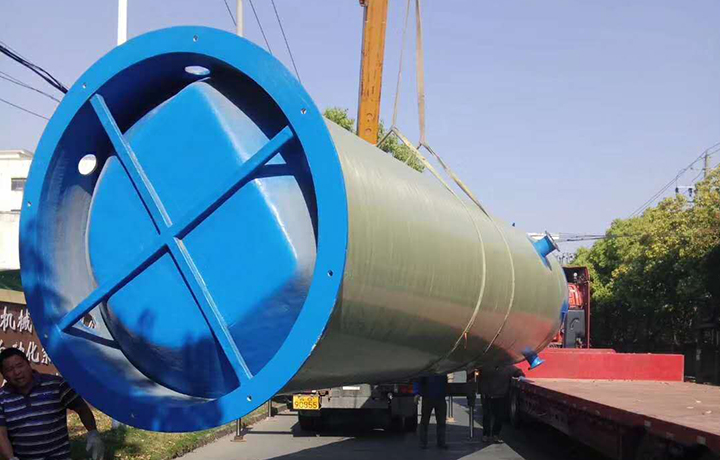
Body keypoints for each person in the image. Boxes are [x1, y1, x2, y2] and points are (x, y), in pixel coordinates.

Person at [0, 347, 105, 460]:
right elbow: (1, 434)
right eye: (9, 369)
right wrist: (10, 458)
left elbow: (81, 408)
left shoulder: (56, 385)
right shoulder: (2, 398)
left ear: (28, 364)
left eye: (20, 365)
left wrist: (93, 432)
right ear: (3, 375)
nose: (17, 372)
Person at [479, 364, 524, 443]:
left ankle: (495, 435)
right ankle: (486, 435)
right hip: (487, 395)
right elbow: (474, 368)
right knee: (487, 416)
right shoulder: (485, 365)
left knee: (499, 417)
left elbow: (518, 371)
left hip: (501, 395)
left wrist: (521, 376)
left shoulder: (508, 367)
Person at [416, 374, 448, 449]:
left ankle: (440, 442)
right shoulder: (439, 371)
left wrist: (418, 393)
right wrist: (417, 393)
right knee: (426, 422)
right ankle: (424, 443)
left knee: (440, 422)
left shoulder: (440, 371)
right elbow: (420, 380)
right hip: (431, 397)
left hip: (436, 397)